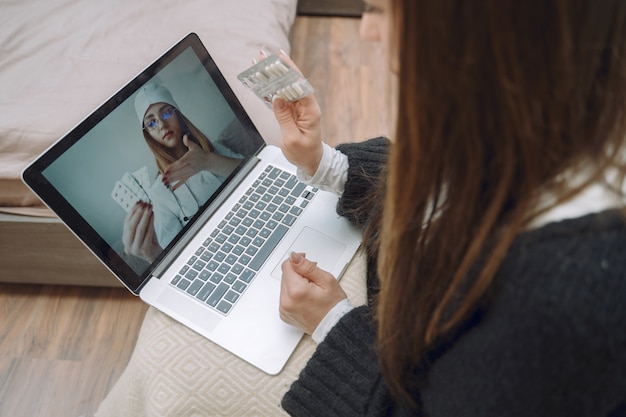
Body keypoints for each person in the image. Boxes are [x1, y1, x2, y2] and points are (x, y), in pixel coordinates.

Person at [274, 0, 626, 415]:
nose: (368, 30)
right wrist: (324, 163)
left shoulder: (558, 305)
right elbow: (450, 193)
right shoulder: (548, 118)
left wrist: (332, 324)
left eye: (382, 10)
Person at [123, 83, 243, 263]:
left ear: (178, 116)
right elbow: (174, 257)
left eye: (166, 113)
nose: (162, 125)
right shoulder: (159, 192)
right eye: (152, 122)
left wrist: (208, 161)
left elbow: (252, 171)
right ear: (148, 135)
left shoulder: (211, 150)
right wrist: (153, 255)